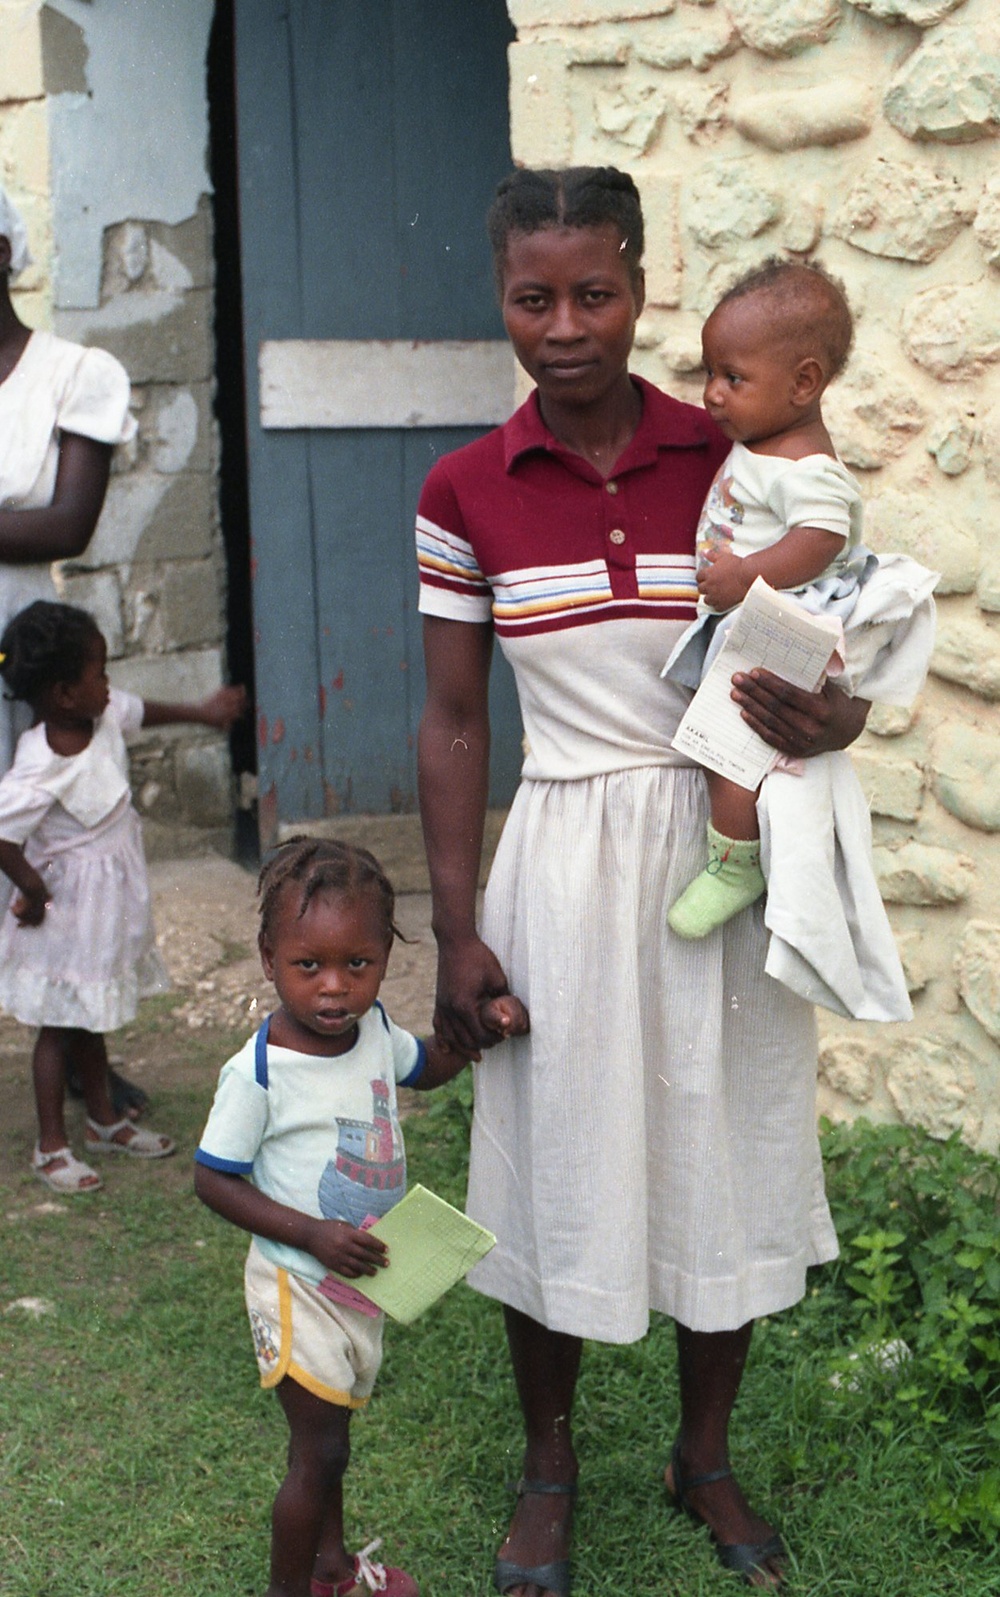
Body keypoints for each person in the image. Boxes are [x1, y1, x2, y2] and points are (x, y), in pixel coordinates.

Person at [416, 167, 872, 1595]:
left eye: (595, 292)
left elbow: (830, 634)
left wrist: (837, 720)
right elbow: (451, 720)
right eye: (532, 297)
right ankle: (549, 1466)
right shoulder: (463, 490)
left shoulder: (732, 455)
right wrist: (454, 926)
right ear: (501, 298)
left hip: (722, 842)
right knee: (557, 1156)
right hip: (557, 853)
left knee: (721, 1140)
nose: (566, 325)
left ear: (639, 286)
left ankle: (705, 1452)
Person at [194, 837, 527, 1597]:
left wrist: (487, 1027)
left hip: (355, 1287)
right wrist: (309, 1232)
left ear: (384, 956)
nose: (336, 988)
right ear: (268, 955)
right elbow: (213, 1179)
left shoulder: (373, 1029)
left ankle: (333, 1571)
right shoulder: (260, 1071)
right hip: (298, 1283)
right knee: (317, 1452)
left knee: (333, 1445)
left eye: (359, 964)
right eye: (309, 966)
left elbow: (428, 1064)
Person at [0, 600, 246, 1194]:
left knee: (92, 1012)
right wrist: (31, 889)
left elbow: (142, 709)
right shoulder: (40, 764)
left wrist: (203, 713)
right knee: (57, 1027)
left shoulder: (102, 715)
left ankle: (104, 1119)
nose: (109, 683)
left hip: (103, 910)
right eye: (100, 672)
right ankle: (51, 1144)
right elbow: (3, 835)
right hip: (64, 912)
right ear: (63, 693)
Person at [664, 259, 871, 939]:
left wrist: (745, 575)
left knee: (731, 741)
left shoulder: (807, 465)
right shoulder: (766, 444)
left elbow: (821, 538)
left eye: (732, 377)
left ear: (804, 381)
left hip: (777, 622)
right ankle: (741, 848)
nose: (711, 395)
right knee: (723, 738)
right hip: (751, 613)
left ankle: (735, 862)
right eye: (709, 373)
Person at [0, 183, 147, 1119]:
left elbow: (67, 521)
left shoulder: (72, 372)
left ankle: (80, 1054)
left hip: (18, 654)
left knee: (49, 851)